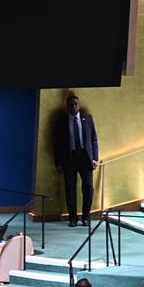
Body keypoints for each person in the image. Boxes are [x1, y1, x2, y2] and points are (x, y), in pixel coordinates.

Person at [53, 95, 100, 227]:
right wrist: (58, 163)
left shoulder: (88, 118)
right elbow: (56, 144)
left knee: (89, 187)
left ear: (79, 105)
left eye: (75, 104)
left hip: (85, 158)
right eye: (70, 105)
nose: (73, 107)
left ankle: (86, 217)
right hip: (69, 158)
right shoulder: (61, 122)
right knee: (70, 189)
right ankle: (73, 218)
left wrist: (95, 158)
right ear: (66, 106)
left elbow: (94, 139)